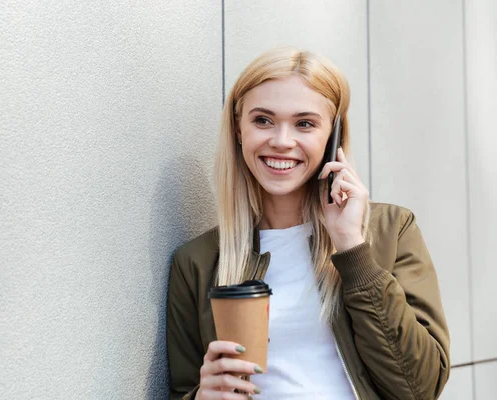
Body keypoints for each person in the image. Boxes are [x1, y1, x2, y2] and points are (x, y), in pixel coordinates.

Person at [166, 47, 450, 400]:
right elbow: (183, 389)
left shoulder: (391, 230)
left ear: (332, 136)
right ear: (239, 130)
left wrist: (351, 246)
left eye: (305, 124)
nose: (282, 141)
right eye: (263, 120)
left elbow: (419, 388)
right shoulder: (198, 262)